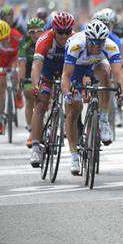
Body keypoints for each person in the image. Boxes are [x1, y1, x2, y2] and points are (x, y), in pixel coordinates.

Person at [61, 20, 123, 174]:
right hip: (77, 67)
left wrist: (120, 91)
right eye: (93, 43)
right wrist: (67, 93)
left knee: (106, 76)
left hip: (96, 64)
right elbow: (66, 75)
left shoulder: (110, 46)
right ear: (87, 40)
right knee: (73, 112)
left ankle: (103, 119)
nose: (96, 47)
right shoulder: (76, 45)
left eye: (100, 44)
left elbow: (117, 74)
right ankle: (74, 156)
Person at [29, 12, 75, 167]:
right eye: (60, 32)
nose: (64, 36)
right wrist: (35, 85)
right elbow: (36, 66)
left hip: (66, 71)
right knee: (41, 103)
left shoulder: (75, 39)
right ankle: (35, 147)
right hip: (47, 72)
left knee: (74, 101)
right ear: (53, 30)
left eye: (67, 32)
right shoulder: (44, 39)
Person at [18, 18, 45, 144]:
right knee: (30, 97)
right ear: (28, 33)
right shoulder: (24, 43)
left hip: (45, 71)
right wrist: (20, 83)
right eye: (32, 32)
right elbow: (22, 65)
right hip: (29, 71)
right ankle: (31, 130)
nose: (35, 35)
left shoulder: (46, 41)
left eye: (38, 31)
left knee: (46, 98)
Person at [0, 19, 22, 134]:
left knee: (17, 72)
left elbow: (22, 51)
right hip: (0, 60)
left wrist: (19, 66)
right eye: (1, 39)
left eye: (6, 37)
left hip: (14, 58)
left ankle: (18, 94)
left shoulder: (16, 36)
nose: (4, 40)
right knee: (0, 86)